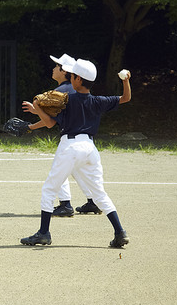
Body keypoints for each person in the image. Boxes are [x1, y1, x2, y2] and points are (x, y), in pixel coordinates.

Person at [20, 58, 131, 248]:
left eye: (72, 76)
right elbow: (125, 98)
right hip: (90, 149)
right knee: (99, 193)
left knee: (49, 189)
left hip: (70, 147)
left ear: (78, 79)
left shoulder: (66, 100)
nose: (70, 78)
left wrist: (37, 108)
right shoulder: (98, 101)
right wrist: (126, 80)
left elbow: (49, 123)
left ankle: (44, 233)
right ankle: (120, 232)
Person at [23, 53, 99, 217]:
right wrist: (37, 113)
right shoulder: (73, 88)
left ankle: (65, 204)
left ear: (64, 71)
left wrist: (32, 123)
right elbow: (53, 119)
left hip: (70, 139)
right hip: (86, 139)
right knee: (77, 170)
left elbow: (50, 122)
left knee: (60, 168)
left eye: (56, 66)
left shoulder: (61, 90)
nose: (53, 68)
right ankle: (93, 201)